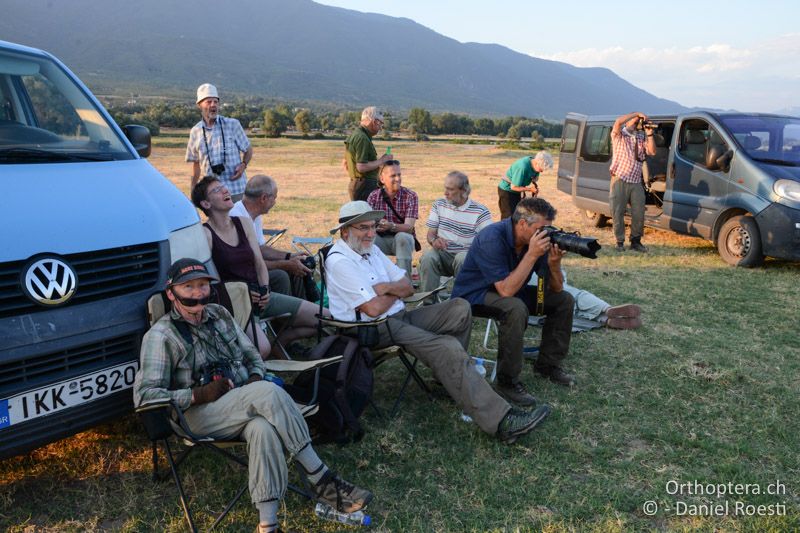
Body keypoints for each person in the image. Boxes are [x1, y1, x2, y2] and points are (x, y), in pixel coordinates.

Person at [134, 258, 372, 533]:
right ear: (171, 293)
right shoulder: (161, 335)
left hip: (244, 399)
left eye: (202, 285)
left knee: (262, 428)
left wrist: (255, 378)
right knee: (269, 392)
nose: (198, 293)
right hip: (196, 415)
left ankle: (267, 525)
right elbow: (145, 397)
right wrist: (199, 394)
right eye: (189, 287)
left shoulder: (220, 315)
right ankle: (320, 478)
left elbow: (253, 356)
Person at [324, 201, 551, 444]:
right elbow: (372, 308)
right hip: (371, 329)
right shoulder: (340, 260)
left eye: (373, 226)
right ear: (345, 230)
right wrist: (395, 292)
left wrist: (387, 289)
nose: (370, 233)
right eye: (363, 228)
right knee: (446, 347)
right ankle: (502, 420)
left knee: (460, 308)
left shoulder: (370, 249)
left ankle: (449, 382)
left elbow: (408, 287)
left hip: (397, 317)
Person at [452, 197, 576, 406]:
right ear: (521, 224)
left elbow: (556, 289)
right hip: (474, 294)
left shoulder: (533, 240)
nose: (546, 234)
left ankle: (548, 365)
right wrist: (532, 254)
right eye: (541, 229)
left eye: (549, 228)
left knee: (564, 300)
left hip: (509, 290)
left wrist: (554, 264)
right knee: (515, 308)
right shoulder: (492, 238)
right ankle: (507, 382)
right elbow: (506, 291)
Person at [191, 176, 325, 355]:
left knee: (325, 318)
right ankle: (264, 349)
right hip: (235, 303)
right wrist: (243, 293)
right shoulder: (205, 234)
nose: (225, 190)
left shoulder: (244, 223)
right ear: (206, 204)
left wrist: (264, 289)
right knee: (262, 349)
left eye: (223, 187)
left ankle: (282, 341)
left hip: (261, 296)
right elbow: (209, 279)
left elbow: (259, 262)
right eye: (216, 190)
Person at [229, 174, 314, 299]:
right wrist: (285, 264)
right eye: (274, 198)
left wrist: (289, 256)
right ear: (263, 198)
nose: (275, 202)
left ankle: (304, 308)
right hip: (239, 275)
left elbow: (260, 248)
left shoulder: (254, 214)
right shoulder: (236, 218)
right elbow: (248, 263)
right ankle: (286, 315)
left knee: (299, 266)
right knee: (281, 276)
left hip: (250, 267)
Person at [419, 171, 492, 301]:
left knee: (462, 257)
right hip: (443, 254)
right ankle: (429, 304)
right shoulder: (439, 204)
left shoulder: (480, 212)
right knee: (428, 257)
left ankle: (460, 304)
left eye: (450, 189)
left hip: (467, 258)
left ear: (464, 191)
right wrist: (434, 241)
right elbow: (430, 234)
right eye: (445, 188)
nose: (445, 193)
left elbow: (488, 243)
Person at [186, 83, 253, 203]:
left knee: (240, 222)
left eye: (216, 102)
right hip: (213, 195)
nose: (213, 105)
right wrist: (193, 190)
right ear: (199, 105)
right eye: (209, 102)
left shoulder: (232, 124)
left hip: (237, 190)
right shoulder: (195, 132)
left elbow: (248, 149)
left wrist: (243, 165)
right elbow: (196, 165)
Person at [609, 112, 657, 252]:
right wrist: (636, 114)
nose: (637, 123)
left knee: (639, 212)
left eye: (639, 122)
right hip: (620, 178)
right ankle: (619, 242)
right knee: (617, 212)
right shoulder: (619, 135)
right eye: (634, 121)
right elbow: (618, 121)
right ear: (627, 122)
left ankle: (635, 241)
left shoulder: (641, 137)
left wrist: (649, 134)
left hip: (636, 181)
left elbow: (652, 152)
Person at [366, 160, 418, 278]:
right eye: (393, 175)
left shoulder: (411, 196)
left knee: (402, 238)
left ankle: (403, 285)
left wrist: (391, 226)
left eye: (399, 174)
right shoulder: (374, 196)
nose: (398, 179)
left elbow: (409, 228)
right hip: (380, 238)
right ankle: (374, 283)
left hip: (403, 239)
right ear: (382, 179)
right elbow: (367, 224)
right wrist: (376, 226)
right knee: (368, 239)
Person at [344, 106, 394, 201]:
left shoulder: (356, 134)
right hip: (365, 186)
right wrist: (382, 160)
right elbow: (361, 167)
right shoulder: (362, 138)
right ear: (374, 121)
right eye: (381, 123)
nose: (380, 128)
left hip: (358, 184)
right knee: (368, 215)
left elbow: (345, 163)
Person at [497, 152, 554, 219]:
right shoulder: (522, 167)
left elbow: (533, 178)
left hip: (516, 192)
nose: (542, 171)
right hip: (507, 191)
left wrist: (534, 187)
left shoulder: (534, 163)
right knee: (508, 217)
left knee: (517, 216)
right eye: (541, 169)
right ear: (536, 163)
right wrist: (530, 189)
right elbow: (514, 187)